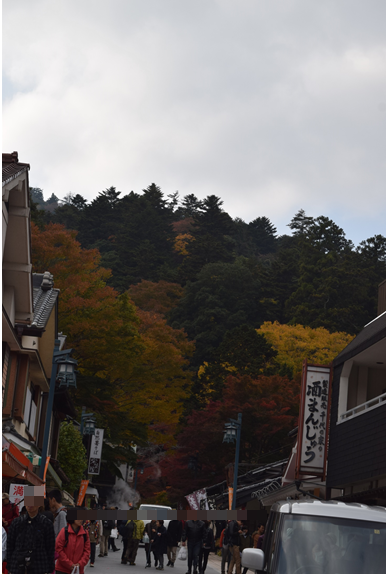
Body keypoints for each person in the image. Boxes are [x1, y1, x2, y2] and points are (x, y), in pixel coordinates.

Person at [6, 488, 55, 574]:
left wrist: (50, 568)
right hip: (17, 566)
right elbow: (10, 545)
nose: (30, 504)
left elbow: (50, 548)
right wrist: (9, 565)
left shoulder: (46, 524)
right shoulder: (16, 522)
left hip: (39, 567)